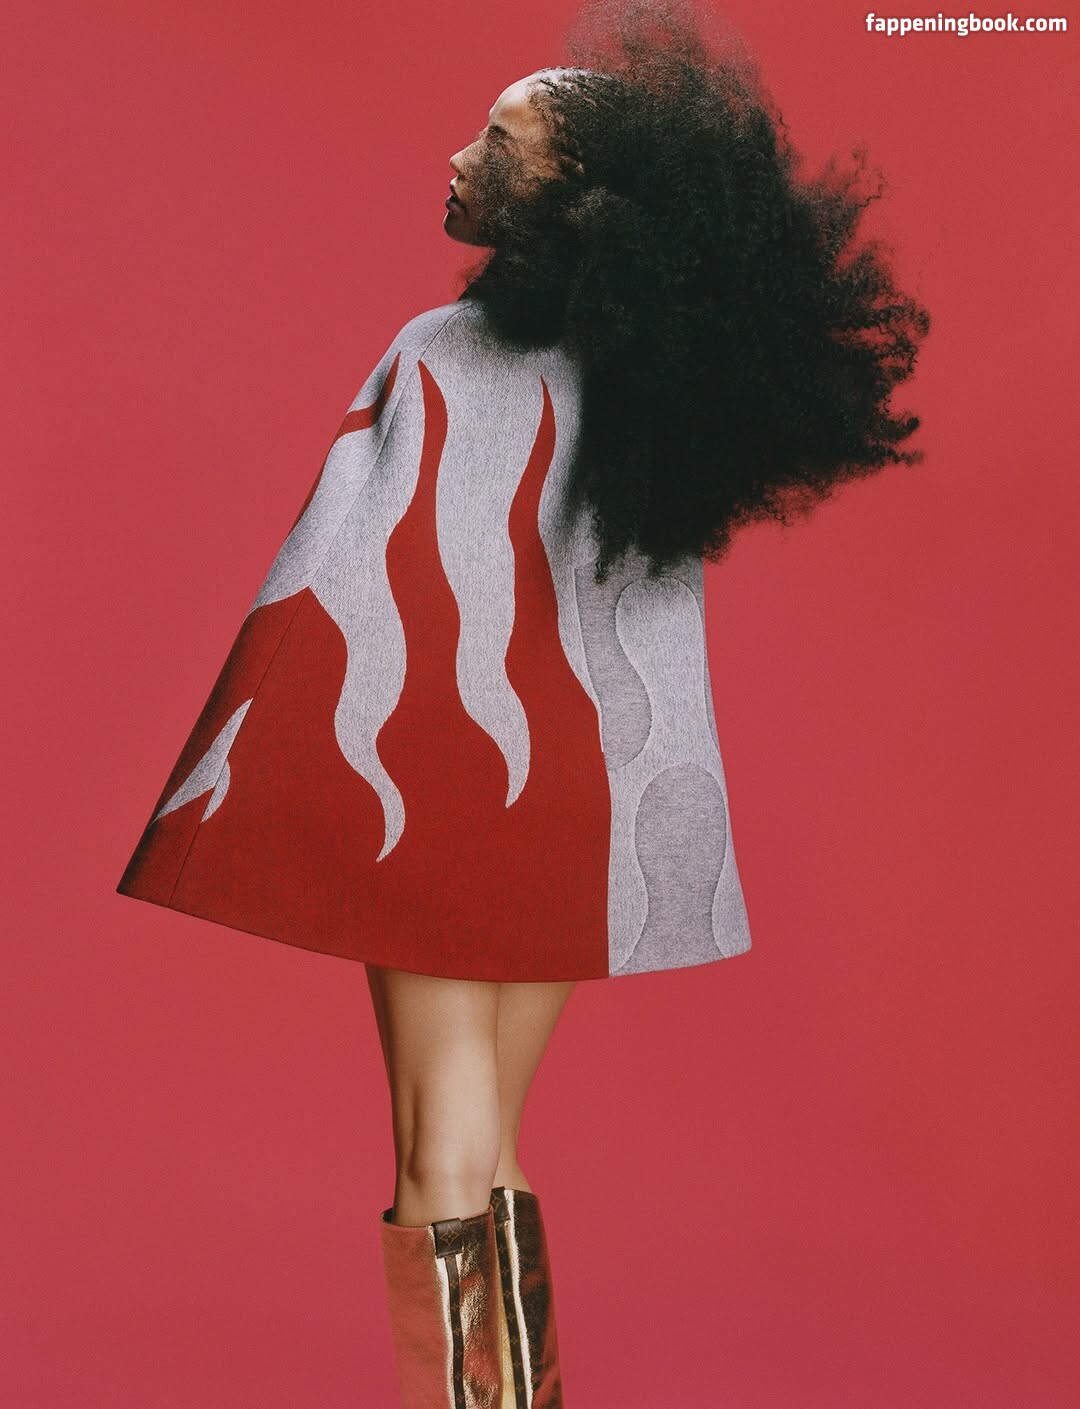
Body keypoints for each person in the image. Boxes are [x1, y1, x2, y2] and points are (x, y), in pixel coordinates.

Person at [115, 2, 930, 1404]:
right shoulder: (661, 395)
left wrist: (251, 775)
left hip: (433, 771)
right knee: (493, 1139)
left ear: (574, 195)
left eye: (499, 141)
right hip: (577, 804)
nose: (457, 155)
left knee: (438, 1136)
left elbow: (340, 582)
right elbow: (650, 643)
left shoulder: (440, 348)